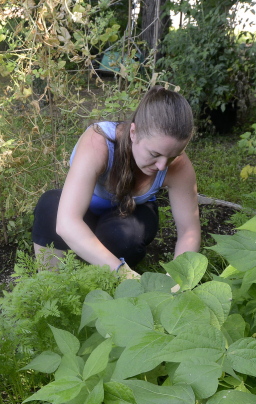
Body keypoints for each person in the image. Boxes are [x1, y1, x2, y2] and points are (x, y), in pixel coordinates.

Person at [31, 86, 201, 277]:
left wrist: (177, 278)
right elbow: (67, 222)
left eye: (172, 156)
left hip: (131, 216)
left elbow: (189, 231)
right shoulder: (98, 142)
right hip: (86, 211)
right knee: (50, 207)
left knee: (123, 238)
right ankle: (50, 281)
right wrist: (122, 272)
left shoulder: (179, 166)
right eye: (155, 154)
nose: (162, 165)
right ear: (134, 132)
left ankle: (102, 274)